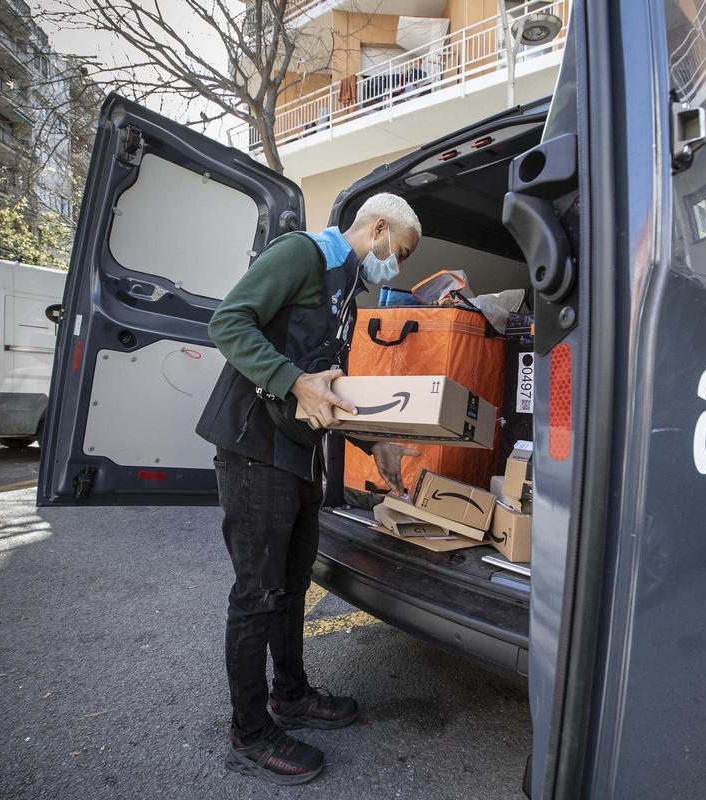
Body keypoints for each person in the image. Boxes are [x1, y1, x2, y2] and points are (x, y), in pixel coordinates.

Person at [196, 193, 423, 785]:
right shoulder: (302, 255)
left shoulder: (346, 294)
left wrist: (377, 446)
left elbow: (330, 391)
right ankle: (248, 731)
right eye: (396, 252)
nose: (392, 267)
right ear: (376, 229)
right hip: (252, 449)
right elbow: (227, 322)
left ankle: (290, 696)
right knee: (258, 592)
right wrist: (292, 381)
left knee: (292, 585)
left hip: (295, 454)